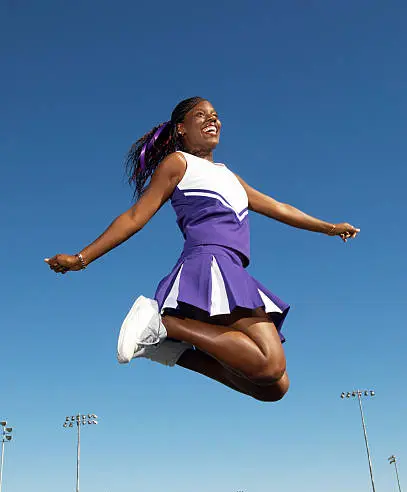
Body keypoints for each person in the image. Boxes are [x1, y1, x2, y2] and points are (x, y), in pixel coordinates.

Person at [45, 96, 359, 402]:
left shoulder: (229, 176)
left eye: (215, 114)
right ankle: (163, 324)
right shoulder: (178, 163)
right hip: (207, 266)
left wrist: (330, 228)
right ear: (180, 128)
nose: (212, 119)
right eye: (201, 114)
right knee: (270, 364)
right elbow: (134, 217)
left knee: (274, 387)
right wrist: (81, 258)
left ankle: (166, 347)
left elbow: (280, 207)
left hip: (233, 272)